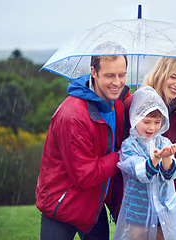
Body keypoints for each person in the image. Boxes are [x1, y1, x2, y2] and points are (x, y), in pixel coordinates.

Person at [35, 42, 130, 240]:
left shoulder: (118, 102)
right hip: (62, 206)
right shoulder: (73, 115)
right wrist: (123, 156)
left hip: (93, 204)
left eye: (122, 75)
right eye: (110, 75)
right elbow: (85, 176)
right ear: (93, 72)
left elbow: (146, 106)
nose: (117, 82)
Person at [123, 57, 176, 207]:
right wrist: (119, 202)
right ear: (161, 74)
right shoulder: (133, 105)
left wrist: (174, 202)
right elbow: (123, 158)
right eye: (173, 77)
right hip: (134, 202)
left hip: (166, 201)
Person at [113, 86, 176, 240]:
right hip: (137, 214)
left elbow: (170, 174)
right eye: (146, 121)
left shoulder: (163, 141)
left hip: (162, 214)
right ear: (135, 118)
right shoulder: (129, 145)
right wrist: (155, 158)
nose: (152, 127)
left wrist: (167, 158)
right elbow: (140, 172)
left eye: (157, 122)